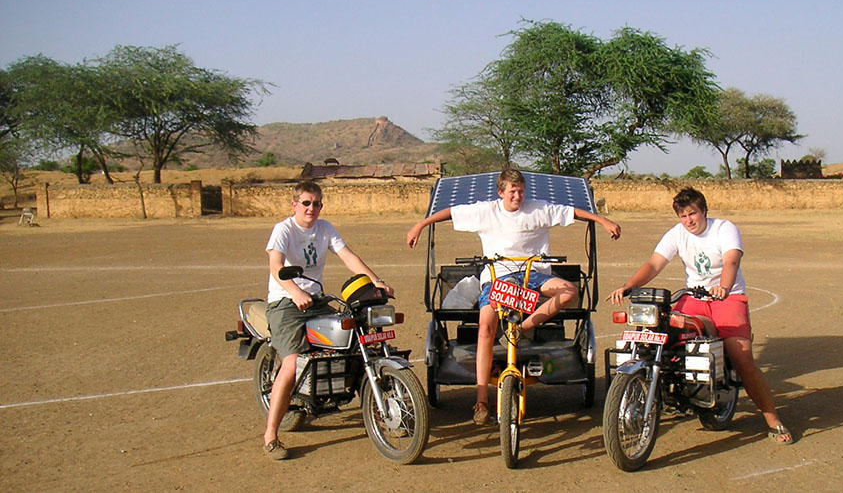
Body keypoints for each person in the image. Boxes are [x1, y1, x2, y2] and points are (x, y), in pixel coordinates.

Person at [406, 169, 620, 425]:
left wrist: (602, 221)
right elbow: (451, 212)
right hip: (500, 278)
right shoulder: (486, 211)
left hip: (535, 276)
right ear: (501, 193)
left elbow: (570, 211)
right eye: (512, 192)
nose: (517, 196)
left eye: (520, 191)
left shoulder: (537, 208)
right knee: (486, 327)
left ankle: (521, 328)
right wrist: (420, 225)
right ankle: (482, 400)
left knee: (569, 291)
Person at [605, 187, 794, 445]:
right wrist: (628, 286)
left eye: (692, 213)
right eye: (683, 216)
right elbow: (654, 263)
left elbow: (731, 262)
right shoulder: (677, 234)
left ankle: (772, 418)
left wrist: (724, 287)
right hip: (693, 299)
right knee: (663, 333)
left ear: (704, 211)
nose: (688, 221)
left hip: (727, 298)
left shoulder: (724, 229)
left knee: (742, 357)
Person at [262, 181, 394, 459]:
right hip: (286, 303)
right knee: (291, 363)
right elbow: (276, 266)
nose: (312, 208)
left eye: (317, 203)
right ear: (294, 205)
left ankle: (380, 408)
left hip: (317, 302)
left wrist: (376, 281)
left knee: (353, 340)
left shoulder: (325, 228)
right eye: (306, 203)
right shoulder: (283, 230)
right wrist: (295, 291)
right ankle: (271, 436)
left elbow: (348, 256)